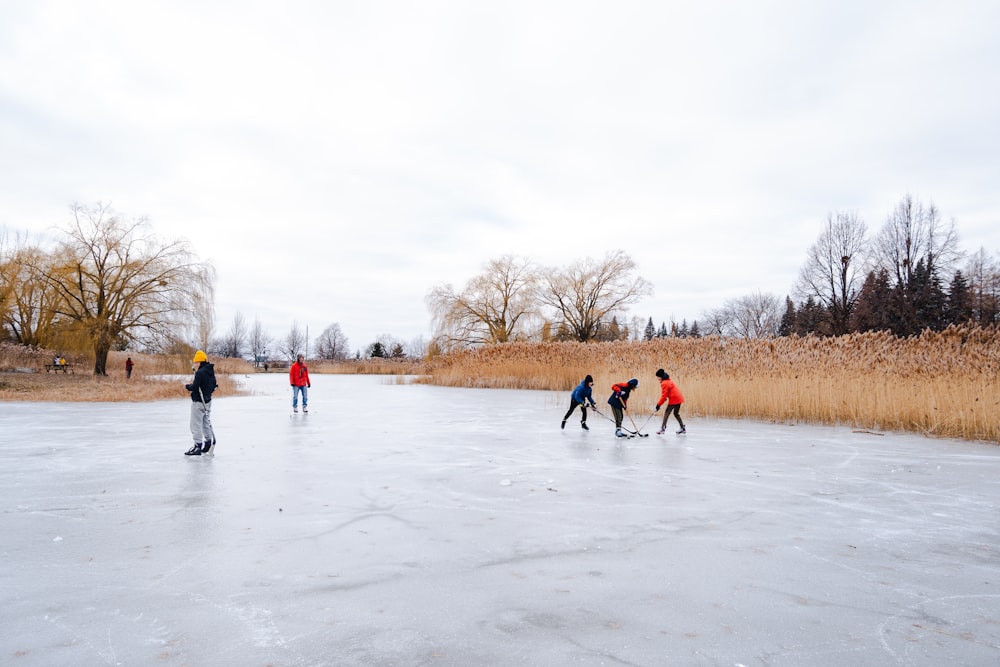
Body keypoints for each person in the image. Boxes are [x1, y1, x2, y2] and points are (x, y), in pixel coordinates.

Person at [184, 350, 218, 456]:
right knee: (205, 422)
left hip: (199, 402)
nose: (195, 364)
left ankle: (197, 446)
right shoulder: (210, 371)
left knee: (195, 424)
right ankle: (207, 442)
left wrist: (188, 386)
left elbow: (195, 387)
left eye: (196, 362)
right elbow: (214, 386)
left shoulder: (200, 372)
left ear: (199, 361)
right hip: (208, 401)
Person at [655, 368, 686, 434]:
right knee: (676, 413)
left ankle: (662, 428)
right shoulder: (668, 380)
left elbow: (664, 396)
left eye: (657, 377)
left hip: (674, 399)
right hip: (679, 398)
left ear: (660, 377)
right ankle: (682, 428)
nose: (657, 378)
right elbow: (665, 396)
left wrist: (658, 405)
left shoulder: (664, 383)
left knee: (667, 412)